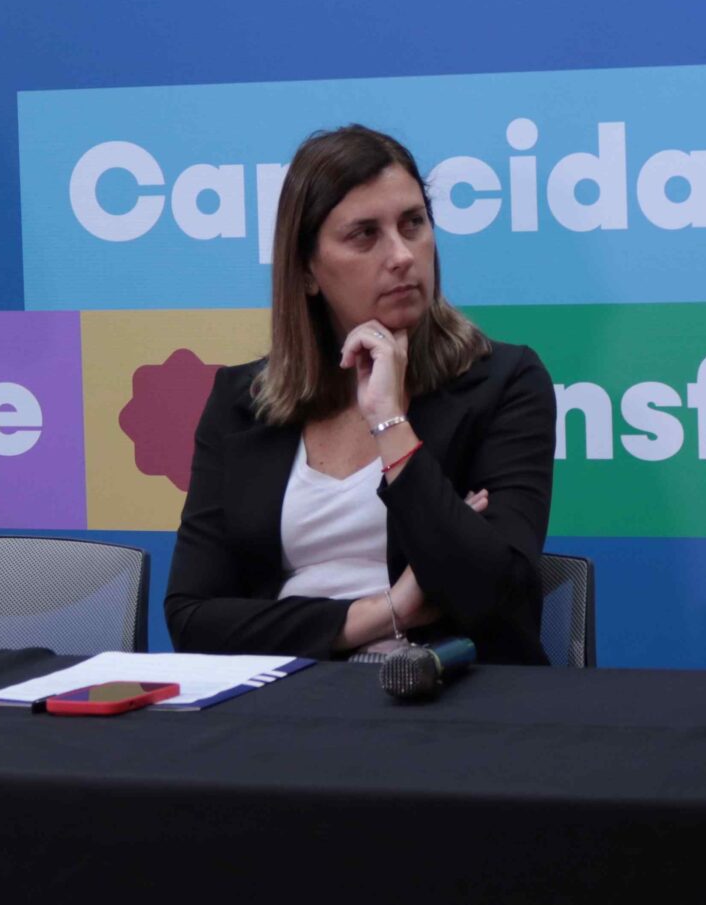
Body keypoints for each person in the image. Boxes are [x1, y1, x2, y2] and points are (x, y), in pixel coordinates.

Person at [167, 124, 555, 664]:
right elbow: (193, 620)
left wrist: (392, 423)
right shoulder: (243, 402)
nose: (400, 255)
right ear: (307, 271)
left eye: (413, 224)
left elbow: (496, 597)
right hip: (281, 699)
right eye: (365, 235)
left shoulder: (503, 382)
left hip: (451, 702)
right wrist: (387, 609)